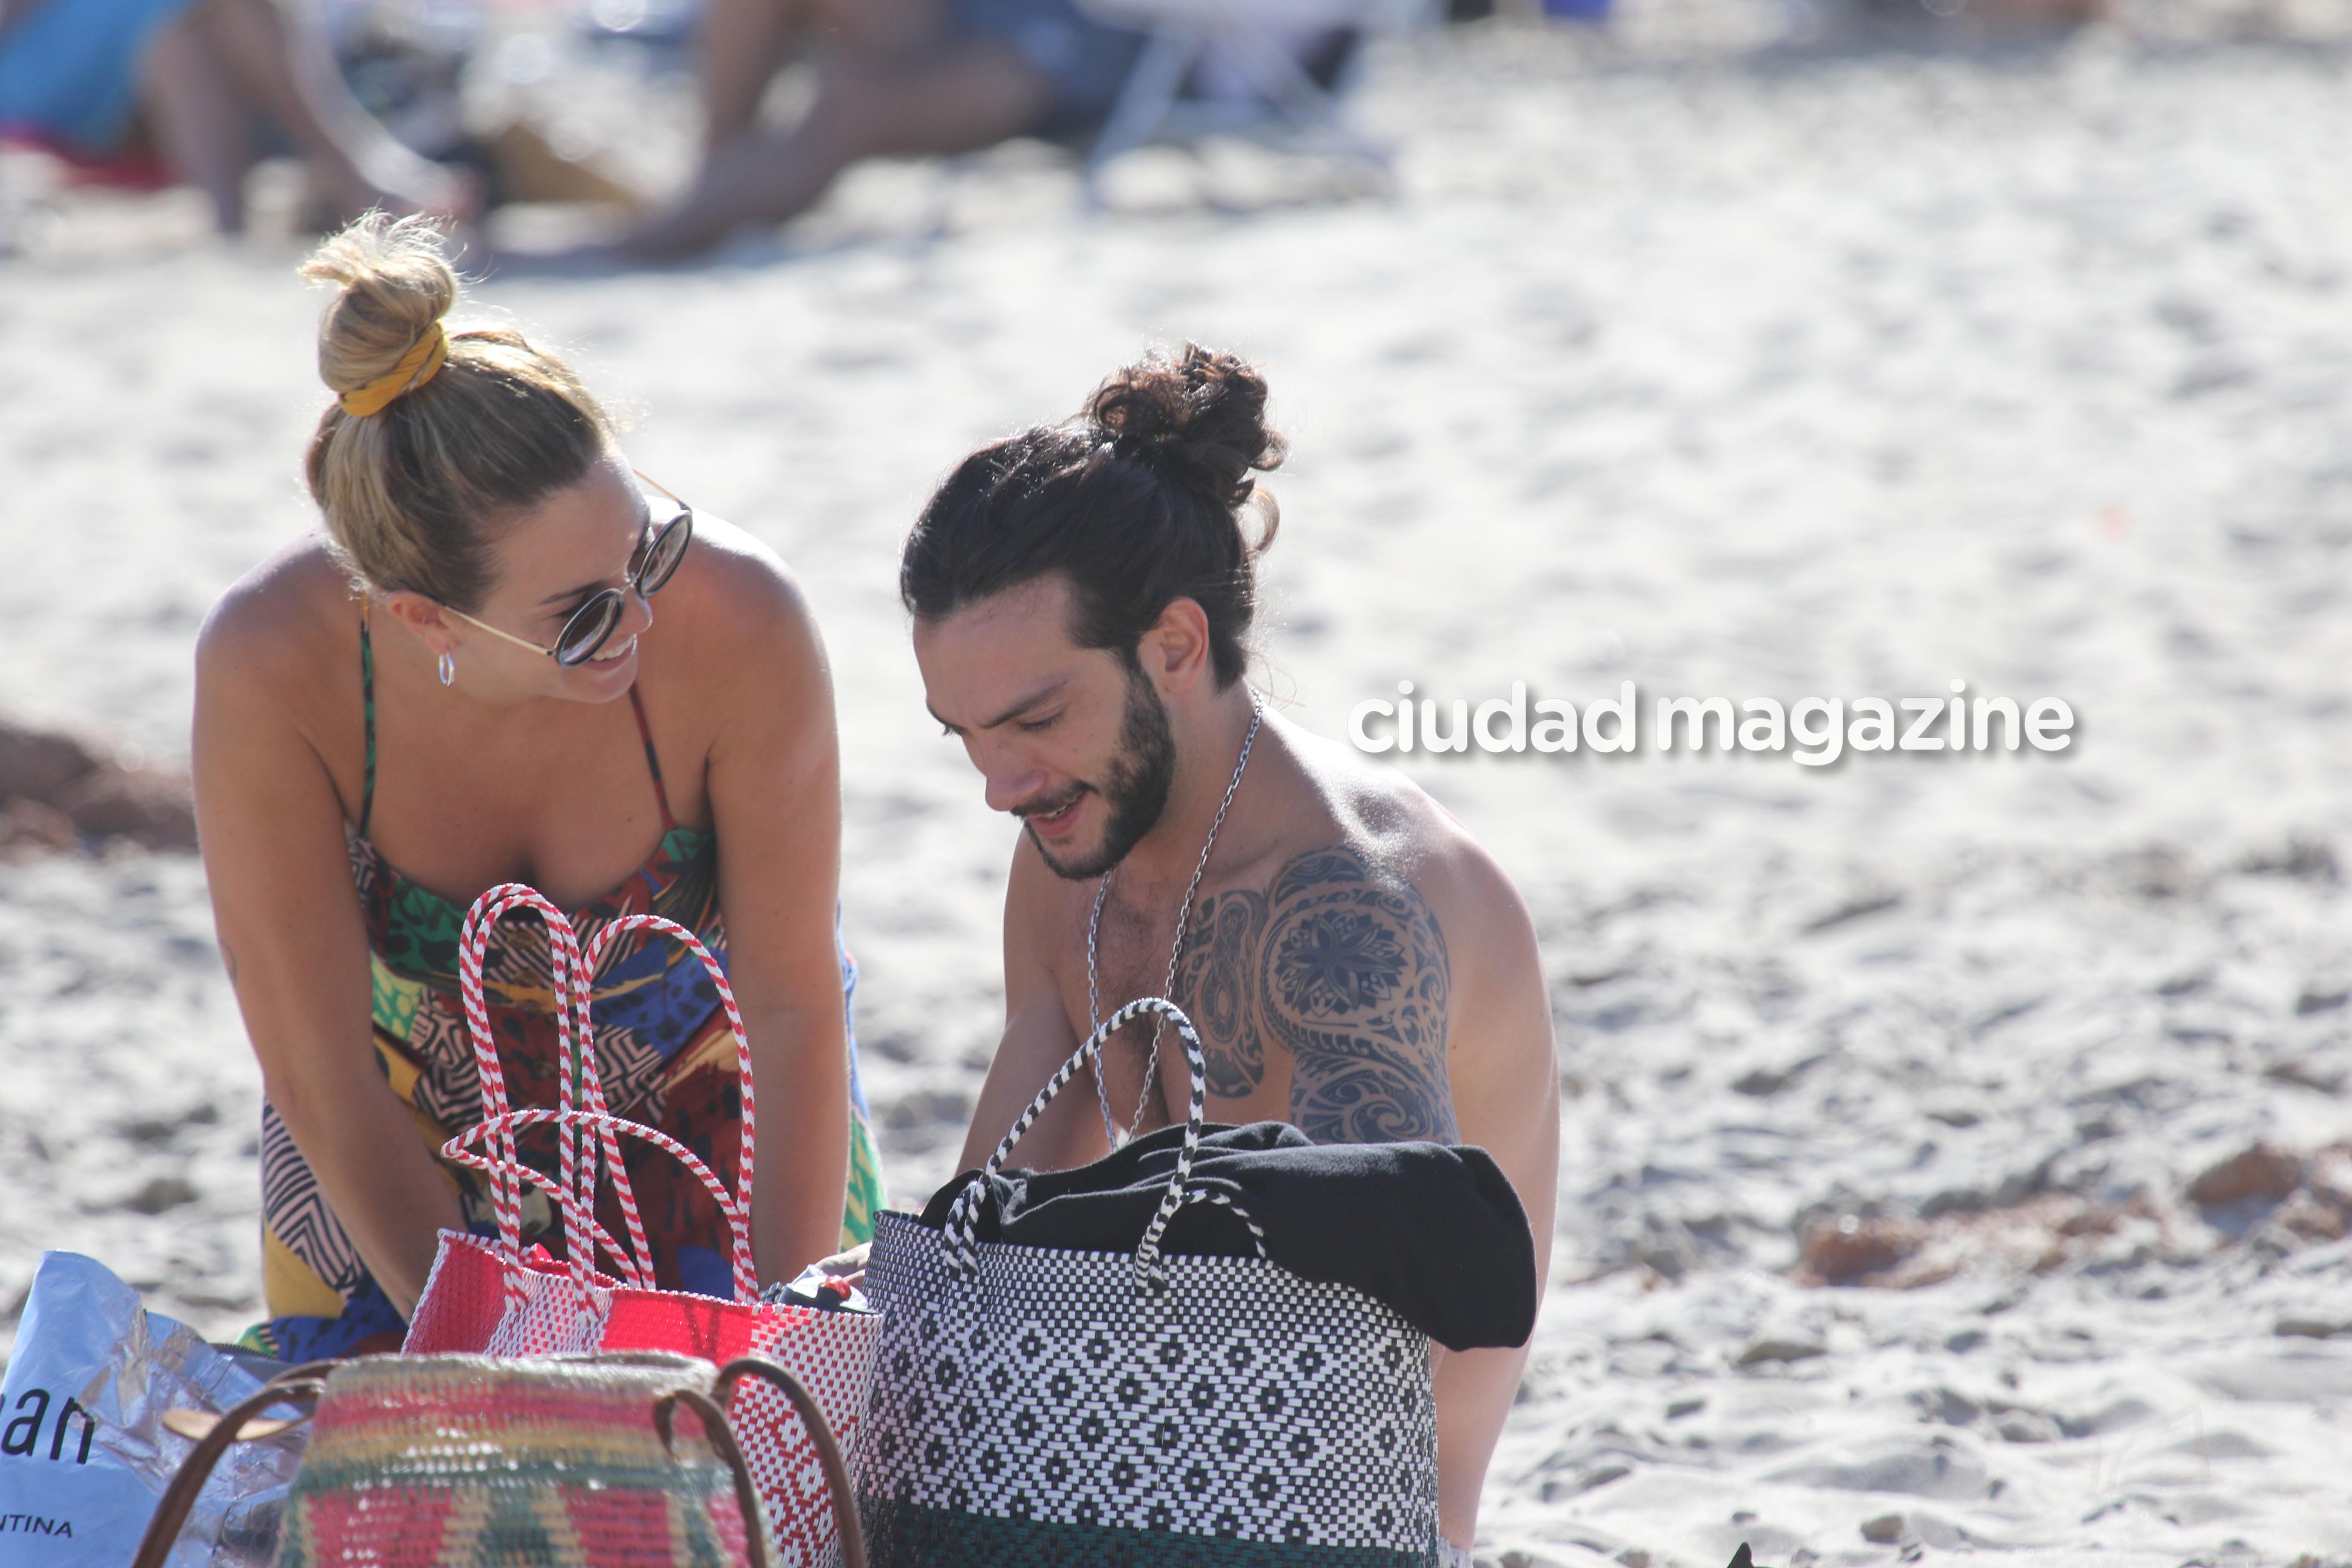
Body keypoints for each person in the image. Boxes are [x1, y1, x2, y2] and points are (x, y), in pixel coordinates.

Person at [898, 343, 1561, 1560]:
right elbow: (977, 1256)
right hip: (1169, 1468)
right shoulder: (1074, 845)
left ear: (1175, 644)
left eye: (1036, 719)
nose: (999, 786)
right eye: (968, 736)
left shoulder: (1353, 911)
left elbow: (1362, 1383)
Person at [191, 214, 883, 1360]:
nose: (642, 620)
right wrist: (498, 1361)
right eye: (584, 613)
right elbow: (322, 1076)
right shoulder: (275, 665)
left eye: (646, 550)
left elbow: (795, 1009)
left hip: (731, 1136)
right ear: (423, 619)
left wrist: (773, 1351)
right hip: (404, 1164)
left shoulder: (741, 616)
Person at [614, 0, 1145, 260]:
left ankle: (663, 235)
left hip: (1076, 46)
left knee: (849, 103)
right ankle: (709, 190)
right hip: (980, 18)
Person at [0, 0, 468, 235]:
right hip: (21, 63)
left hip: (94, 36)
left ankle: (228, 228)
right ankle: (351, 169)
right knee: (175, 19)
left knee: (176, 45)